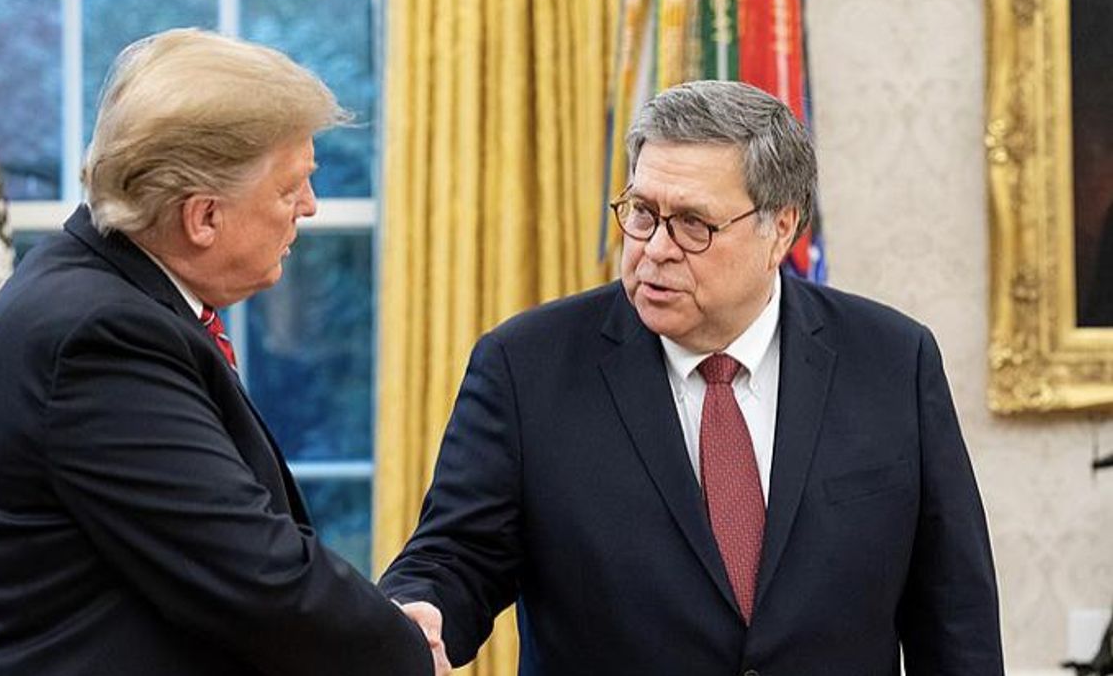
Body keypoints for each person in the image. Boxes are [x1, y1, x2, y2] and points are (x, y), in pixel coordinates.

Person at [381, 80, 1004, 675]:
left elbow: (955, 612)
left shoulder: (892, 360)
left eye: (693, 224)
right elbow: (456, 556)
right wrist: (416, 615)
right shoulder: (526, 367)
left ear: (779, 228)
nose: (654, 248)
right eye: (642, 212)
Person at [0, 29, 441, 676]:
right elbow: (250, 573)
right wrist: (399, 648)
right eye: (289, 189)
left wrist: (377, 623)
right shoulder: (99, 336)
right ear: (202, 217)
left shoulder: (104, 296)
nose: (309, 207)